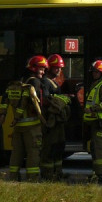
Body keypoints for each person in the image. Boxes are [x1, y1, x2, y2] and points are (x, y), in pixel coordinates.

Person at [0, 55, 47, 182]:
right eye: (41, 69)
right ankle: (33, 179)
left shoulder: (18, 82)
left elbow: (5, 99)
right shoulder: (34, 82)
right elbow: (29, 101)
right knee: (33, 153)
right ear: (34, 68)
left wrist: (3, 115)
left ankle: (13, 177)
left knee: (16, 153)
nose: (43, 72)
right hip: (32, 126)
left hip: (18, 126)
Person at [40, 53, 71, 181]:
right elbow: (46, 100)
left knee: (59, 146)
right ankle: (47, 175)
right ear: (49, 68)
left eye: (60, 67)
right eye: (56, 67)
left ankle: (58, 173)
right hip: (50, 121)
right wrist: (62, 99)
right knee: (49, 147)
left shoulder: (54, 83)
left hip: (58, 121)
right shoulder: (45, 82)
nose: (59, 70)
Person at [82, 59, 102, 184]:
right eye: (93, 72)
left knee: (99, 150)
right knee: (94, 149)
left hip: (99, 122)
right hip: (92, 123)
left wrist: (92, 109)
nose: (94, 74)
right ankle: (96, 174)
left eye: (96, 72)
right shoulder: (95, 84)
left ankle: (100, 176)